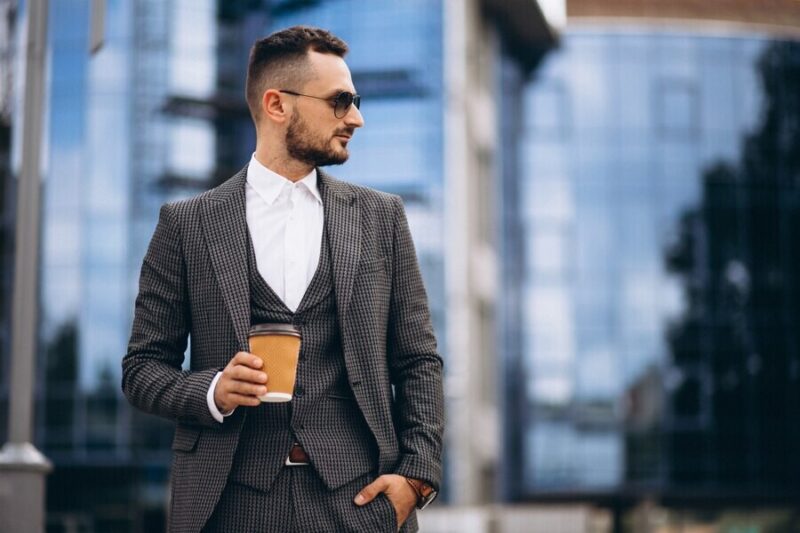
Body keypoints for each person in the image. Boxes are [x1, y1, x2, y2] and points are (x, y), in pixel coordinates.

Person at [122, 25, 444, 533]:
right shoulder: (186, 225)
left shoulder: (382, 219)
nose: (356, 118)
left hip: (357, 504)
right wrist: (213, 391)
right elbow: (142, 369)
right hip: (227, 504)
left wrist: (416, 478)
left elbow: (418, 359)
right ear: (277, 105)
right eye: (341, 102)